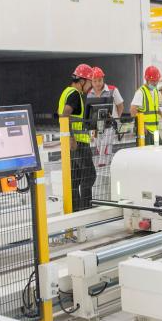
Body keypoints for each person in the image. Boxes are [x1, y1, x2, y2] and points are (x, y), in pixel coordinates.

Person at [58, 64, 96, 211]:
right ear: (82, 80)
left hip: (72, 143)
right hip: (78, 144)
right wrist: (72, 138)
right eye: (89, 82)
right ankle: (85, 208)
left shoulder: (66, 92)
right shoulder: (74, 94)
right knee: (89, 176)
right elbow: (65, 115)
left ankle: (75, 209)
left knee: (75, 179)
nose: (91, 86)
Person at [131, 65, 162, 145]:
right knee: (146, 152)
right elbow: (133, 110)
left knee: (159, 150)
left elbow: (154, 107)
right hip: (145, 131)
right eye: (152, 81)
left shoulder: (155, 91)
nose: (155, 83)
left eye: (156, 81)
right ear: (147, 80)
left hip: (155, 130)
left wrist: (161, 114)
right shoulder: (141, 92)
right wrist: (141, 126)